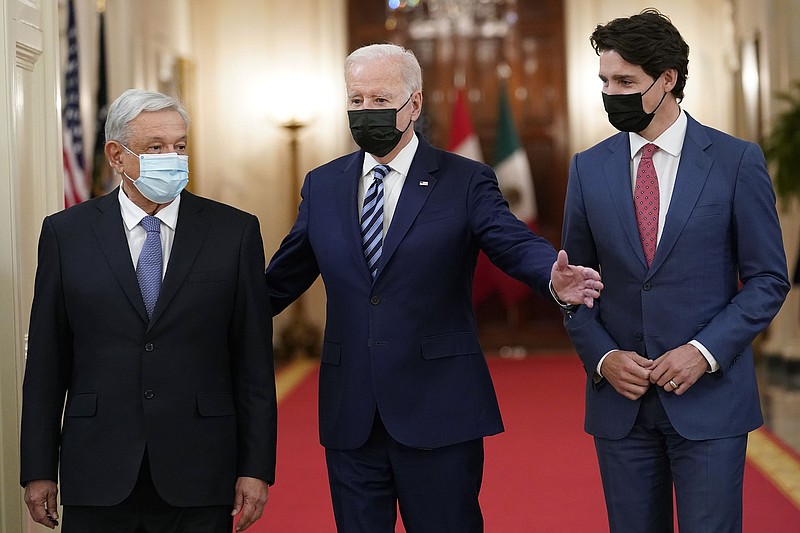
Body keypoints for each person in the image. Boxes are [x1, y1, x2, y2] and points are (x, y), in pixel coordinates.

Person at [266, 43, 603, 533]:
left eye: (379, 100)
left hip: (438, 408)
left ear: (415, 105)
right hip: (351, 413)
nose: (366, 112)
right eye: (355, 100)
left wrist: (551, 274)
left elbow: (509, 240)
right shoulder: (323, 185)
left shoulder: (463, 179)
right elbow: (281, 278)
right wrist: (207, 308)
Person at [561, 9, 790, 533]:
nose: (611, 92)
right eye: (604, 81)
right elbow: (575, 288)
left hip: (709, 401)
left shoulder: (736, 161)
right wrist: (602, 358)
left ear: (668, 80)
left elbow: (768, 280)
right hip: (622, 403)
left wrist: (703, 352)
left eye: (626, 81)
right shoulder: (587, 167)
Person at [20, 89, 276, 533]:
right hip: (98, 469)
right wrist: (38, 468)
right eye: (155, 148)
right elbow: (47, 361)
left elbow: (252, 362)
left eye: (179, 146)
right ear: (116, 155)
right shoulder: (66, 235)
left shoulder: (234, 232)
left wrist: (256, 468)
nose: (172, 157)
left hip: (201, 469)